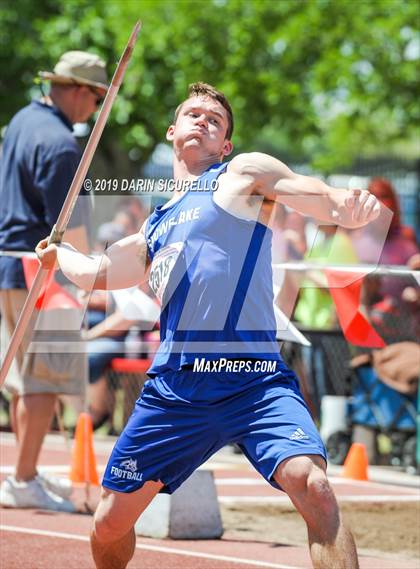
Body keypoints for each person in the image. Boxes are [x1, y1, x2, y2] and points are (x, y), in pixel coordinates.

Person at [36, 82, 381, 569]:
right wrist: (60, 254)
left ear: (225, 145)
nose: (202, 120)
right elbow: (99, 273)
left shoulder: (242, 176)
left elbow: (311, 194)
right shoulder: (155, 226)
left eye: (214, 119)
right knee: (109, 522)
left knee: (314, 485)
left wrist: (344, 205)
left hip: (255, 380)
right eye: (192, 114)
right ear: (172, 131)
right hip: (177, 388)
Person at [0, 51, 108, 512]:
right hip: (43, 271)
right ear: (81, 91)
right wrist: (90, 276)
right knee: (44, 381)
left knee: (28, 378)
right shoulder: (63, 144)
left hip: (11, 265)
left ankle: (24, 473)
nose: (97, 107)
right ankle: (23, 478)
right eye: (98, 97)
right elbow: (73, 228)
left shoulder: (22, 121)